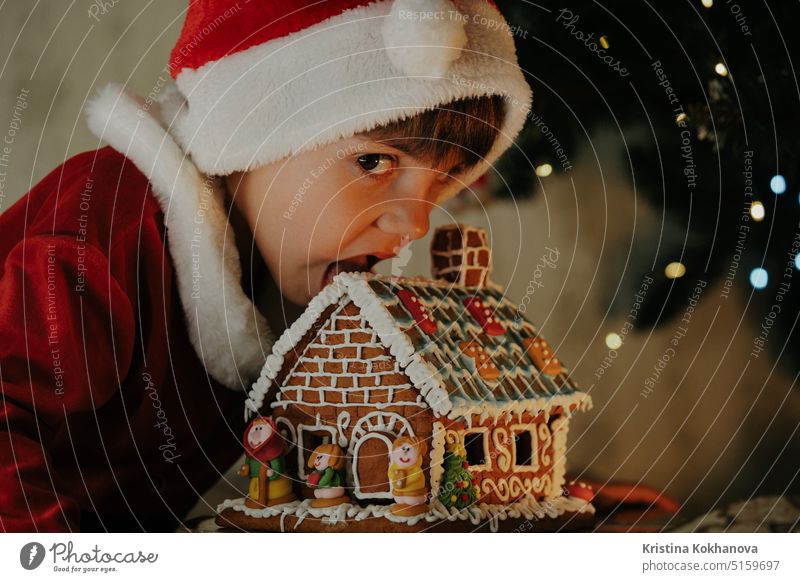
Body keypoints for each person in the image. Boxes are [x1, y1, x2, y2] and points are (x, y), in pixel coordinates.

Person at [0, 0, 532, 531]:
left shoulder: (296, 292)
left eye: (446, 178)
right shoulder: (99, 233)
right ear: (252, 134)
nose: (415, 223)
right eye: (372, 162)